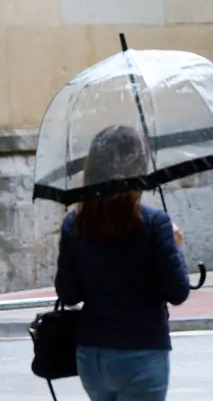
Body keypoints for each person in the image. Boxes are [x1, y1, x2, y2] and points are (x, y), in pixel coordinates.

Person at [55, 125, 191, 400]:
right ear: (139, 172)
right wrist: (176, 247)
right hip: (141, 352)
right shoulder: (154, 224)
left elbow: (68, 294)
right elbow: (177, 292)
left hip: (92, 355)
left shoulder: (75, 223)